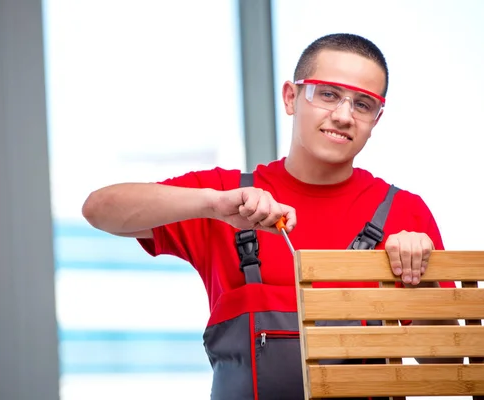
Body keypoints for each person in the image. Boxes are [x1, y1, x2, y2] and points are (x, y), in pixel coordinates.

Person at [82, 33, 460, 400]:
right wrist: (212, 205)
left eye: (363, 104)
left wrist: (420, 283)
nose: (344, 115)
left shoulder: (404, 213)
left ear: (376, 119)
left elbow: (447, 366)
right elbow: (99, 210)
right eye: (328, 94)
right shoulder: (225, 195)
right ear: (291, 97)